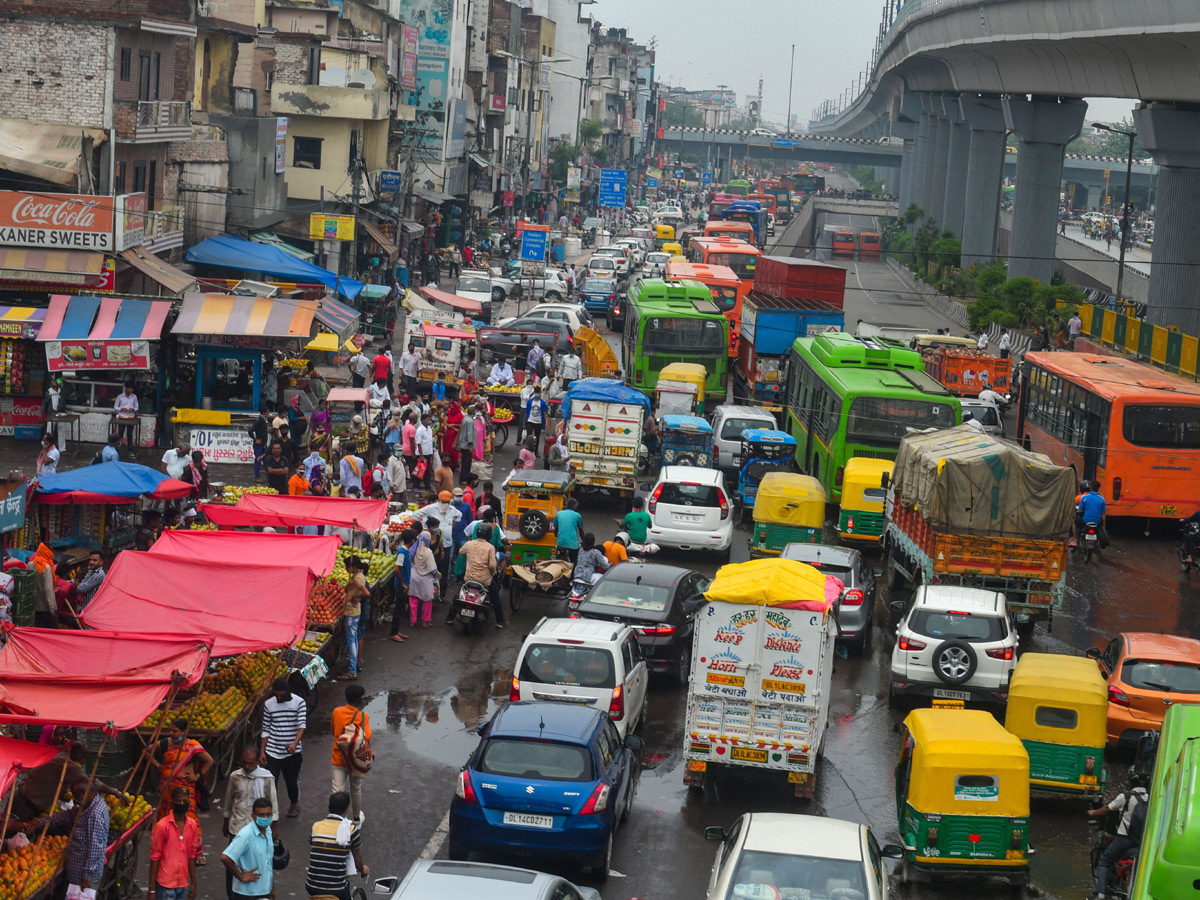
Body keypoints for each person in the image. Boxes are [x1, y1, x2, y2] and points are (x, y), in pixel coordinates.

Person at [27, 778, 110, 896]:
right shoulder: (87, 805)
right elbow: (66, 816)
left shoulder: (95, 814)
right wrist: (40, 822)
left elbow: (95, 849)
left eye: (76, 798)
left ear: (83, 795)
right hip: (76, 869)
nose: (74, 802)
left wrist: (86, 877)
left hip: (83, 875)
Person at [150, 718, 213, 861]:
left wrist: (197, 776)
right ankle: (167, 848)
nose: (171, 733)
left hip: (186, 788)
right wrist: (158, 766)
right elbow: (146, 751)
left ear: (184, 732)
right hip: (168, 788)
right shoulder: (165, 743)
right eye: (170, 730)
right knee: (167, 817)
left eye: (175, 731)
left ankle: (196, 853)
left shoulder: (193, 746)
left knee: (190, 819)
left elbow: (209, 761)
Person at [222, 747, 277, 900]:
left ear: (258, 761)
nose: (247, 766)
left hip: (259, 830)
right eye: (244, 763)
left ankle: (261, 890)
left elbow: (273, 803)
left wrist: (273, 827)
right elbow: (229, 800)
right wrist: (226, 821)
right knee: (233, 866)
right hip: (237, 828)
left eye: (250, 763)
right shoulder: (235, 776)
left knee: (261, 863)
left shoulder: (266, 778)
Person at [1087, 775, 1149, 900]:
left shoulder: (1126, 796)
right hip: (1144, 841)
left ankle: (1101, 896)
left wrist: (1094, 813)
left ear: (1130, 783)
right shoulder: (1152, 798)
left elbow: (1106, 809)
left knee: (1104, 862)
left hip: (1125, 840)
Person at [305, 791, 368, 900]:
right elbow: (357, 857)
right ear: (347, 809)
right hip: (337, 889)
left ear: (329, 806)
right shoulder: (351, 829)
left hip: (311, 886)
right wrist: (362, 869)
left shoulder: (316, 827)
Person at [260, 677, 306, 819]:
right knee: (270, 782)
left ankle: (294, 804)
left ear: (287, 691)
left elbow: (301, 726)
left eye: (282, 694)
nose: (279, 697)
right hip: (272, 751)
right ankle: (271, 810)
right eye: (277, 694)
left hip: (292, 752)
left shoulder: (299, 702)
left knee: (291, 781)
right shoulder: (269, 704)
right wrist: (262, 751)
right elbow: (266, 728)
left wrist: (294, 744)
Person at [149, 785, 202, 900]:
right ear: (172, 802)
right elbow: (155, 858)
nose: (182, 803)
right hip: (165, 885)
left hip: (182, 884)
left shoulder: (192, 825)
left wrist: (193, 883)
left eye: (185, 800)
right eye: (178, 801)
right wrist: (152, 890)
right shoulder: (162, 826)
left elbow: (192, 855)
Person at [220, 796, 275, 900]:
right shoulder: (246, 835)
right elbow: (225, 857)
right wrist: (240, 876)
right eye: (262, 815)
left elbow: (268, 863)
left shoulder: (268, 831)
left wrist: (272, 887)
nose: (266, 818)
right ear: (253, 817)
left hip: (264, 891)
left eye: (269, 815)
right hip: (247, 894)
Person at [330, 684, 371, 822]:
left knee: (337, 791)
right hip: (356, 762)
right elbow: (368, 736)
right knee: (356, 790)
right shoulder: (363, 716)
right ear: (360, 699)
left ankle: (338, 819)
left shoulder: (337, 712)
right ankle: (356, 818)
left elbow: (333, 730)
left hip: (339, 758)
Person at [459, 522, 504, 628]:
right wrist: (494, 573)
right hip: (485, 580)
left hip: (469, 577)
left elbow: (461, 552)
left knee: (459, 592)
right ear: (489, 535)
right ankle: (500, 621)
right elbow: (492, 565)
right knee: (495, 597)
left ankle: (450, 617)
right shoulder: (490, 547)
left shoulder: (469, 543)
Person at [341, 557, 368, 680]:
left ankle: (352, 671)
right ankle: (354, 666)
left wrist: (355, 597)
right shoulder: (359, 575)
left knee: (351, 641)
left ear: (353, 567)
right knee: (354, 640)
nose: (346, 569)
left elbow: (366, 593)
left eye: (347, 567)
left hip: (352, 613)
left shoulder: (357, 578)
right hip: (356, 612)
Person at [391, 528, 414, 643]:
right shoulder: (402, 552)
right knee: (398, 609)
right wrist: (403, 584)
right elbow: (397, 569)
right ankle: (393, 632)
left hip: (404, 584)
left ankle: (397, 630)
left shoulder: (406, 551)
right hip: (401, 586)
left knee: (401, 608)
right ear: (412, 540)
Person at [30, 542, 57, 629]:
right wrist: (52, 609)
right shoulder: (46, 567)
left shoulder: (30, 565)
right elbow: (48, 589)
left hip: (34, 608)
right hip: (46, 609)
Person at [1077, 480, 1109, 548]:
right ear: (1098, 488)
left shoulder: (1084, 497)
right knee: (1099, 528)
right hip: (1097, 521)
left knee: (1074, 523)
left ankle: (1074, 539)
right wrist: (1104, 525)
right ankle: (1096, 542)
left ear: (1090, 487)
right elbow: (1103, 514)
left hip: (1086, 520)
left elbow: (1080, 510)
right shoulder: (1102, 499)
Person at [554, 497, 584, 562]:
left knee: (559, 561)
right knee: (573, 562)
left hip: (560, 543)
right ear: (575, 507)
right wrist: (584, 541)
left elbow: (555, 530)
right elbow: (581, 531)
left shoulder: (559, 514)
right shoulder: (577, 515)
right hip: (573, 545)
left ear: (567, 505)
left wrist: (559, 538)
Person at [248, 407, 271, 482]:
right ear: (264, 413)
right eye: (267, 412)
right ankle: (257, 477)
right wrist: (255, 440)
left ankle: (269, 477)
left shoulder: (264, 421)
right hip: (259, 445)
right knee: (258, 460)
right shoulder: (259, 421)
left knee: (266, 461)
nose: (268, 414)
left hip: (264, 444)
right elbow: (250, 430)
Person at [114, 383, 140, 448]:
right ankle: (117, 448)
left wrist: (133, 409)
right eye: (130, 389)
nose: (131, 390)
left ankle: (130, 449)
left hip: (131, 417)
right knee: (120, 433)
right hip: (122, 417)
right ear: (126, 388)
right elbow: (115, 407)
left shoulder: (134, 397)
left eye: (132, 389)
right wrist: (121, 409)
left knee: (129, 434)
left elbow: (137, 408)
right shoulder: (120, 397)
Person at [457, 405, 478, 482]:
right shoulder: (470, 421)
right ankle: (464, 478)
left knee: (464, 462)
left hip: (462, 444)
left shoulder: (465, 419)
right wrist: (471, 446)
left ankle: (463, 478)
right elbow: (470, 434)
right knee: (466, 463)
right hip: (467, 445)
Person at [415, 414, 435, 490]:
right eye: (427, 419)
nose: (429, 421)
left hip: (428, 453)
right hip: (421, 454)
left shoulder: (429, 429)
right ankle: (416, 485)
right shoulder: (420, 430)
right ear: (423, 420)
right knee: (419, 470)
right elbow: (419, 443)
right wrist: (421, 455)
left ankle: (427, 486)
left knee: (427, 471)